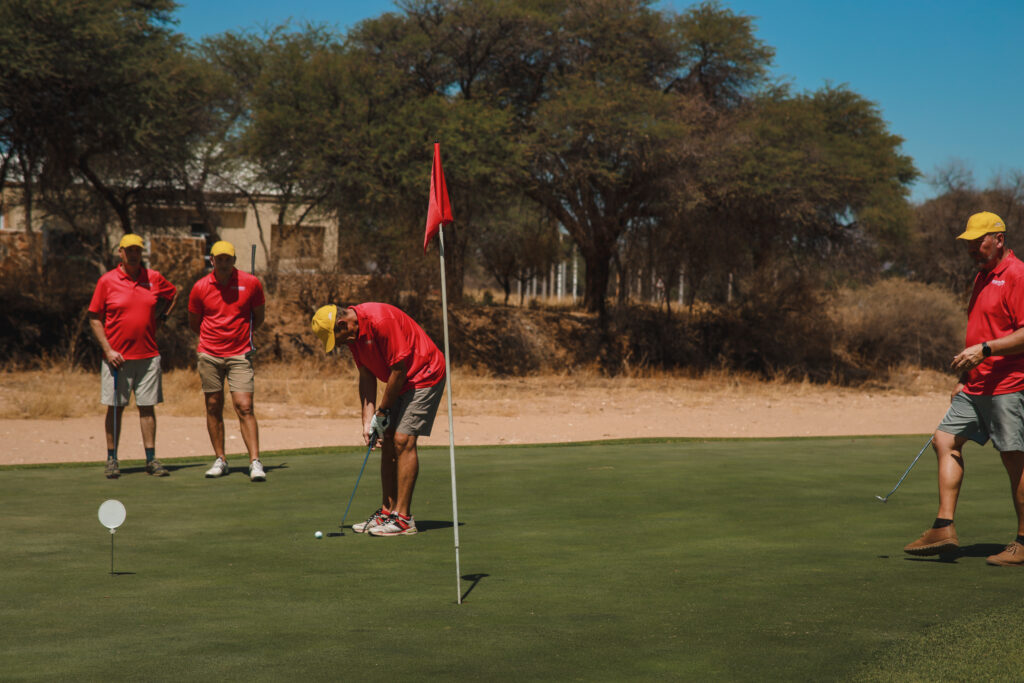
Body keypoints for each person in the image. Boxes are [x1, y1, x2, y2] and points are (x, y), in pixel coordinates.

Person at [903, 211, 1024, 566]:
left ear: (999, 239)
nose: (972, 248)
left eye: (978, 241)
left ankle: (1023, 542)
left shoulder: (1017, 275)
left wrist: (985, 350)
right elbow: (981, 329)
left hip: (1010, 384)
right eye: (968, 243)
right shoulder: (982, 276)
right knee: (944, 440)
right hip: (976, 384)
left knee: (1014, 458)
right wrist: (964, 378)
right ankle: (944, 527)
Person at [311, 302, 446, 536]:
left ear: (342, 325)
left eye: (337, 339)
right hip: (401, 381)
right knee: (386, 439)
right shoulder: (353, 337)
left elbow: (399, 370)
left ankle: (404, 519)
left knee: (403, 440)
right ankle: (387, 512)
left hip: (424, 374)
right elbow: (366, 375)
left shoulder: (381, 321)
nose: (340, 345)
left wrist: (381, 412)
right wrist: (368, 421)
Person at [88, 233, 179, 478]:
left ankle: (151, 459)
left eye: (137, 250)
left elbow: (173, 294)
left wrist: (162, 317)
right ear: (121, 252)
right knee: (115, 408)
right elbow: (95, 318)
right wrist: (108, 350)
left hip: (148, 356)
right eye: (129, 250)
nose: (133, 254)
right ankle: (112, 459)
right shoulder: (107, 281)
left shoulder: (154, 278)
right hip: (117, 358)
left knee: (147, 407)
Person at [188, 240, 268, 482]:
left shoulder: (251, 283)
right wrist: (213, 341)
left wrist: (240, 336)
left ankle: (255, 462)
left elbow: (259, 317)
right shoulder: (200, 287)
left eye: (228, 259)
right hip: (209, 354)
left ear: (234, 260)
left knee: (244, 406)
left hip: (240, 353)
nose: (223, 263)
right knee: (213, 405)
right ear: (212, 260)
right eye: (219, 259)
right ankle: (220, 459)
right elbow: (194, 323)